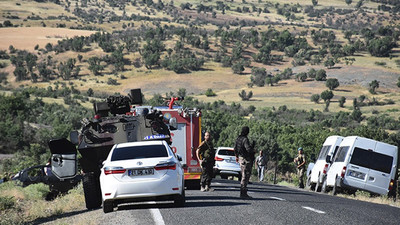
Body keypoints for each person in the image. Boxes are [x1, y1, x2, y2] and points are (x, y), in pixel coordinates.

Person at [234, 126, 255, 199]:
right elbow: (248, 149)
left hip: (240, 158)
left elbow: (235, 149)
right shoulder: (245, 139)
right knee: (245, 175)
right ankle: (243, 192)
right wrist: (253, 150)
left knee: (244, 175)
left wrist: (236, 156)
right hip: (245, 159)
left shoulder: (238, 139)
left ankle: (243, 192)